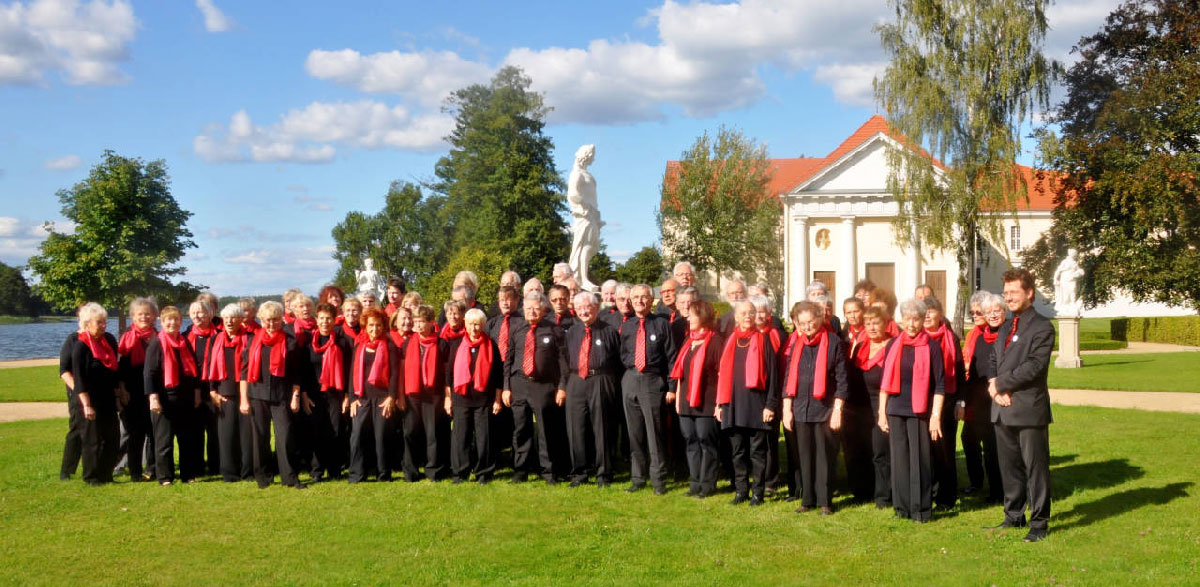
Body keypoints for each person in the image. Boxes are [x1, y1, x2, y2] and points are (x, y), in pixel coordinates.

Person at [987, 268, 1055, 542]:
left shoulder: (1042, 327)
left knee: (1035, 468)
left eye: (1014, 292)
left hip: (1028, 409)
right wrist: (994, 387)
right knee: (1009, 467)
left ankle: (1039, 523)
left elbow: (1034, 367)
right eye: (1006, 293)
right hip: (1002, 408)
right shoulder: (1004, 326)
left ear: (1030, 293)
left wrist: (1001, 385)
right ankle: (1013, 516)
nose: (1009, 298)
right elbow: (993, 359)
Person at [878, 299, 946, 523]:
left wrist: (935, 417)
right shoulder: (892, 345)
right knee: (899, 461)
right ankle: (902, 508)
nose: (911, 324)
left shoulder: (932, 347)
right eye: (907, 319)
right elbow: (885, 384)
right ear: (901, 320)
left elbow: (940, 385)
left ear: (922, 320)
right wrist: (881, 412)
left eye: (916, 319)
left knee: (920, 461)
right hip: (895, 410)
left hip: (920, 411)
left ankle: (921, 510)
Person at [781, 301, 847, 515]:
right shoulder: (797, 344)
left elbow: (842, 380)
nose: (807, 326)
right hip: (801, 408)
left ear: (820, 319)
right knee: (804, 455)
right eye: (803, 323)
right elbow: (788, 378)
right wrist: (786, 409)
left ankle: (825, 501)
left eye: (811, 321)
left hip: (825, 409)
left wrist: (838, 409)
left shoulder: (834, 343)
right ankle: (807, 499)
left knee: (824, 456)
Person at [716, 301, 779, 506]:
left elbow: (773, 376)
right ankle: (741, 490)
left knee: (758, 453)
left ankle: (758, 493)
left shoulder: (763, 340)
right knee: (737, 452)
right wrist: (719, 404)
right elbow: (722, 376)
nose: (748, 316)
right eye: (743, 313)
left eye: (751, 312)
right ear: (736, 316)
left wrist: (770, 405)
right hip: (733, 405)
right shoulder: (730, 341)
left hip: (757, 405)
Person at [503, 291, 570, 484]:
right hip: (519, 385)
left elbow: (562, 362)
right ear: (523, 310)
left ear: (543, 310)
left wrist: (562, 387)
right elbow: (508, 359)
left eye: (536, 308)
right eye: (528, 308)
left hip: (544, 386)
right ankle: (520, 471)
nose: (531, 311)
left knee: (546, 431)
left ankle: (549, 472)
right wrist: (507, 387)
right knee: (521, 430)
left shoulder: (554, 330)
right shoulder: (517, 329)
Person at [618, 284, 677, 495]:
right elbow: (622, 353)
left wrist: (671, 386)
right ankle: (638, 478)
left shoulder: (661, 325)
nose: (639, 301)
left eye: (644, 297)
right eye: (635, 297)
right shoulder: (627, 326)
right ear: (630, 301)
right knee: (634, 434)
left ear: (652, 301)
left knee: (654, 434)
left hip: (653, 381)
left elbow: (672, 358)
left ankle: (659, 480)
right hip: (631, 380)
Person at [561, 292, 622, 488]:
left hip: (601, 380)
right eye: (579, 308)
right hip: (576, 380)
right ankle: (579, 473)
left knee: (602, 428)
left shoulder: (609, 331)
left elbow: (618, 361)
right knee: (576, 428)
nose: (584, 311)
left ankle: (604, 474)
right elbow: (566, 359)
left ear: (596, 308)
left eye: (587, 307)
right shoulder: (572, 332)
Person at [245, 301, 306, 490]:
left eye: (275, 320)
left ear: (281, 319)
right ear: (261, 320)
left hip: (282, 396)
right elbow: (243, 371)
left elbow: (297, 373)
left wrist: (295, 395)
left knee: (285, 435)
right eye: (268, 320)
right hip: (257, 394)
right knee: (260, 437)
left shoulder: (290, 341)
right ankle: (263, 476)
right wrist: (244, 399)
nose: (271, 324)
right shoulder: (253, 340)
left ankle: (289, 476)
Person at [670, 298, 723, 498]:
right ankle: (695, 482)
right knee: (691, 441)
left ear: (703, 316)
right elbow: (680, 373)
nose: (688, 318)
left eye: (692, 314)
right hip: (685, 402)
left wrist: (720, 403)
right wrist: (677, 398)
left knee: (706, 441)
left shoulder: (716, 341)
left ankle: (708, 483)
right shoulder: (688, 340)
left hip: (706, 402)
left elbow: (722, 375)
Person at [144, 305, 201, 485]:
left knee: (186, 439)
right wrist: (153, 397)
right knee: (164, 441)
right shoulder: (156, 343)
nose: (172, 323)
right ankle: (165, 477)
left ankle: (187, 474)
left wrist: (197, 392)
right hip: (164, 398)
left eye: (176, 319)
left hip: (185, 397)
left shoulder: (184, 343)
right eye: (169, 320)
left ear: (180, 321)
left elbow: (194, 371)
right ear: (162, 322)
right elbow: (149, 373)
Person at [446, 308, 502, 484]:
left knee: (483, 438)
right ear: (465, 324)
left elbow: (499, 374)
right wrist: (448, 398)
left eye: (477, 324)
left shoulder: (491, 345)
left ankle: (484, 473)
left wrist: (498, 400)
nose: (473, 328)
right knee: (460, 437)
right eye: (470, 323)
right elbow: (448, 376)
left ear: (483, 325)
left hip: (484, 399)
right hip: (461, 398)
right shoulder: (456, 345)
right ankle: (460, 473)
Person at [347, 307, 401, 483]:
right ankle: (357, 474)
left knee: (381, 436)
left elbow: (394, 374)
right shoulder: (359, 346)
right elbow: (352, 374)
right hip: (361, 397)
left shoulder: (390, 346)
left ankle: (383, 474)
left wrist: (392, 397)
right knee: (357, 435)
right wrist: (353, 398)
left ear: (383, 326)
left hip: (383, 398)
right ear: (365, 325)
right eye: (371, 325)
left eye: (378, 325)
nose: (374, 329)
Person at [71, 303, 121, 485]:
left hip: (107, 398)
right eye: (99, 322)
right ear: (87, 323)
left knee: (112, 438)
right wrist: (86, 405)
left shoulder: (107, 340)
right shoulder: (80, 346)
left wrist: (118, 395)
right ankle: (91, 477)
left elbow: (115, 371)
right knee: (92, 441)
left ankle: (106, 474)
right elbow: (79, 379)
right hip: (89, 399)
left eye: (104, 322)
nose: (103, 325)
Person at [961, 291, 1004, 503]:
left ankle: (997, 490)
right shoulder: (976, 336)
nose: (976, 315)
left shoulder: (998, 335)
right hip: (976, 397)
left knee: (991, 445)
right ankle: (978, 482)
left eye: (980, 312)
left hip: (993, 398)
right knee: (969, 439)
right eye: (973, 312)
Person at [401, 304, 451, 482]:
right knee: (410, 432)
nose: (418, 325)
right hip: (412, 394)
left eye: (422, 321)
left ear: (431, 322)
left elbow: (447, 374)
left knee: (433, 434)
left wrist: (447, 397)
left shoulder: (442, 344)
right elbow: (402, 370)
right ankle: (411, 471)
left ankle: (434, 470)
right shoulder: (408, 343)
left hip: (434, 395)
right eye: (416, 321)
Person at [853, 306, 895, 509]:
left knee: (881, 452)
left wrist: (883, 412)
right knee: (862, 450)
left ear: (886, 324)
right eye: (867, 323)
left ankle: (884, 497)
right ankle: (863, 491)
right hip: (861, 407)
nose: (871, 327)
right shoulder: (861, 347)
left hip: (883, 406)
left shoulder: (893, 346)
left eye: (875, 323)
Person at [924, 297, 964, 510]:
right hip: (922, 401)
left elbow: (958, 372)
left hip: (947, 400)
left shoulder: (951, 338)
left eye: (931, 311)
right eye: (924, 311)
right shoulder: (916, 338)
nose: (927, 315)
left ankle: (947, 497)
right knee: (927, 450)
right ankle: (928, 493)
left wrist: (960, 400)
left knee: (945, 449)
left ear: (940, 314)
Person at [206, 303, 254, 483]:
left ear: (241, 320)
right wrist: (212, 391)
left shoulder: (250, 338)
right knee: (226, 436)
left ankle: (247, 472)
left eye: (234, 317)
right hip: (223, 393)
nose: (229, 321)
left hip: (246, 393)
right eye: (226, 318)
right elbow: (210, 365)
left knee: (246, 436)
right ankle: (229, 473)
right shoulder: (215, 339)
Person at [309, 302, 353, 481]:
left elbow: (350, 370)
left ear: (334, 320)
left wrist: (347, 396)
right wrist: (303, 395)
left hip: (336, 394)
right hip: (314, 395)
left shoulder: (343, 342)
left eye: (328, 318)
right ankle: (317, 470)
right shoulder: (310, 342)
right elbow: (304, 370)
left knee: (335, 430)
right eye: (321, 318)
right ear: (316, 320)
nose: (325, 322)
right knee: (317, 431)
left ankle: (335, 470)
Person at [117, 297, 158, 481]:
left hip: (155, 392)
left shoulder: (158, 336)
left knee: (154, 432)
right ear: (133, 316)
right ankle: (134, 471)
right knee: (135, 434)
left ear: (154, 316)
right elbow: (121, 369)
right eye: (140, 314)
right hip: (132, 393)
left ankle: (153, 469)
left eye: (148, 313)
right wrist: (122, 390)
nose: (144, 317)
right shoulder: (127, 337)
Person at [186, 299, 220, 479]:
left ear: (210, 314)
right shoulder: (185, 336)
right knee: (196, 431)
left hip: (213, 388)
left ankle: (216, 465)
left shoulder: (219, 335)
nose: (197, 316)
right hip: (193, 390)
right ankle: (197, 467)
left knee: (214, 431)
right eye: (194, 312)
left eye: (201, 312)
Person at [58, 321, 82, 480]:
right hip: (77, 393)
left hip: (98, 393)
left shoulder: (103, 339)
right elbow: (64, 370)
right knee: (77, 429)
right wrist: (78, 390)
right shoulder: (72, 340)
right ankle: (66, 470)